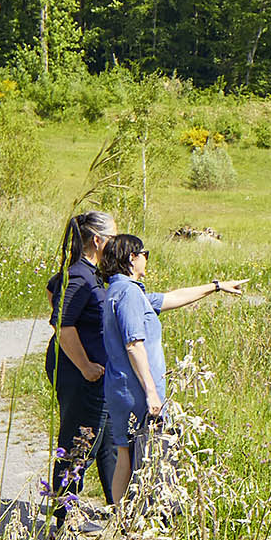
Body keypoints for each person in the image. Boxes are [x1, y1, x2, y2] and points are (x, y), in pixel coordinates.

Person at [94, 233, 246, 506]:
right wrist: (152, 392)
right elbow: (134, 345)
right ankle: (144, 519)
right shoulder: (128, 293)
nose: (146, 260)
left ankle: (121, 522)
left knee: (125, 454)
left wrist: (217, 286)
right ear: (132, 258)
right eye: (144, 254)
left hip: (121, 388)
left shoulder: (121, 290)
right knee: (147, 454)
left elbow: (173, 297)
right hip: (136, 391)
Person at [45, 212, 116, 521]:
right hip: (81, 375)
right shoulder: (80, 275)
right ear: (97, 240)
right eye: (113, 238)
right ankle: (63, 518)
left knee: (108, 441)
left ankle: (119, 511)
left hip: (97, 375)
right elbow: (61, 323)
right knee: (78, 441)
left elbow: (52, 290)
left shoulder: (89, 272)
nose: (116, 244)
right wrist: (85, 365)